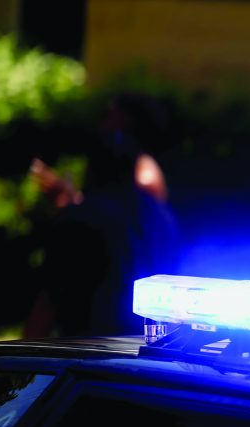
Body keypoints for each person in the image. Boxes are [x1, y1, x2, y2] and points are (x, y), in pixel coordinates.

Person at [25, 93, 180, 337]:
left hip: (100, 341)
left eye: (110, 113)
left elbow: (54, 294)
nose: (103, 120)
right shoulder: (156, 212)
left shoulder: (143, 176)